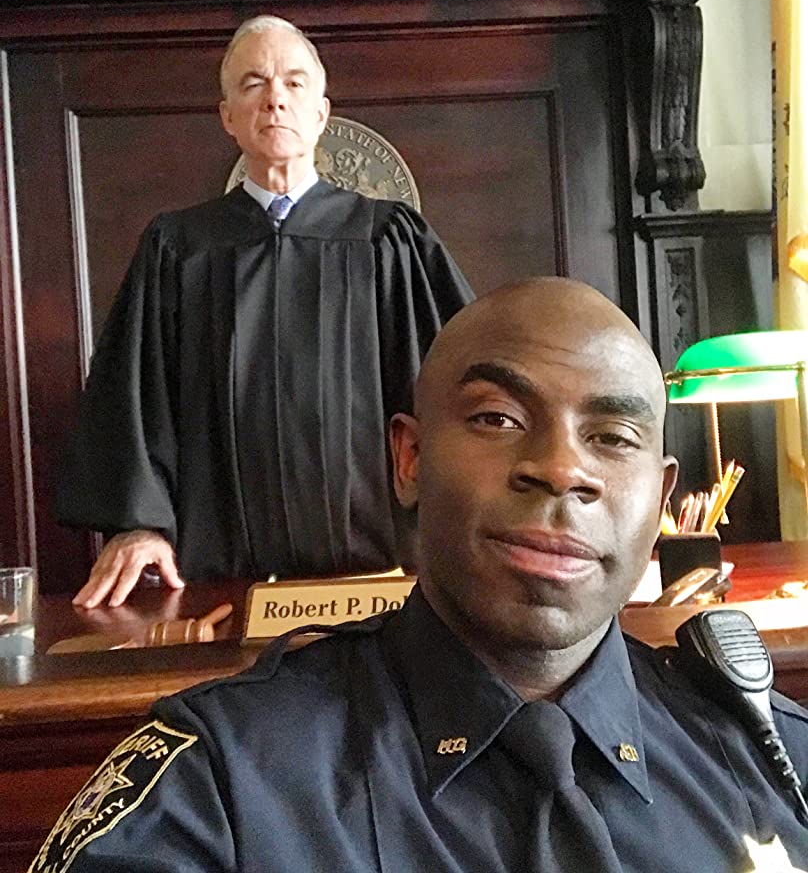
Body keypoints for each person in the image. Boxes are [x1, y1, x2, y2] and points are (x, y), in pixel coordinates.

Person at [34, 278, 808, 871]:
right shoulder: (215, 787)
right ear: (409, 459)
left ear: (663, 497)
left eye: (612, 436)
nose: (561, 468)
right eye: (498, 419)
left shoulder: (776, 760)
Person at [56, 14, 472, 607]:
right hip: (221, 581)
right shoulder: (178, 248)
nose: (275, 98)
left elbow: (451, 389)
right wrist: (140, 523)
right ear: (228, 116)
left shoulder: (387, 240)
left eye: (293, 83)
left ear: (321, 114)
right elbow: (137, 396)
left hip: (378, 579)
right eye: (253, 83)